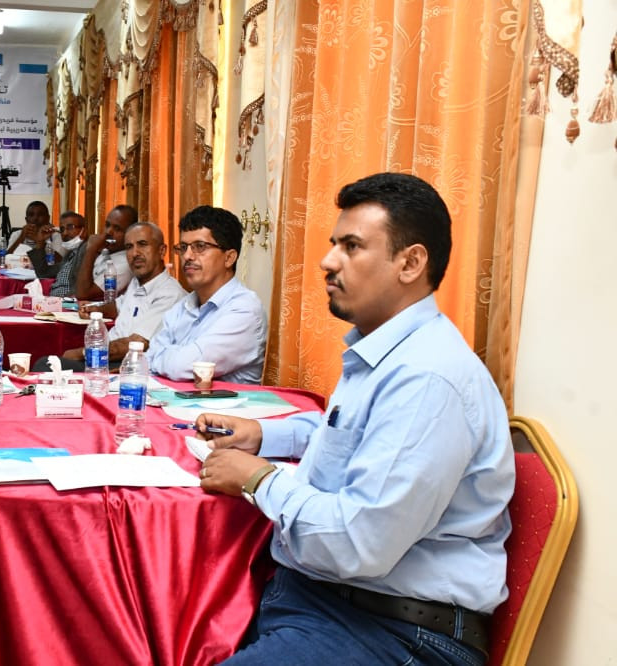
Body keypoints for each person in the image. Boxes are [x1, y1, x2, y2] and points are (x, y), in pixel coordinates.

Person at [196, 173, 515, 665]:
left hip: (396, 631)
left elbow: (357, 544)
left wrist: (258, 479)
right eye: (333, 245)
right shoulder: (388, 352)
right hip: (326, 598)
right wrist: (264, 435)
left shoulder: (427, 377)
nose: (328, 261)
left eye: (351, 246)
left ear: (410, 263)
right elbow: (351, 433)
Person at [34, 221, 186, 371]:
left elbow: (135, 344)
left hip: (125, 365)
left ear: (162, 251)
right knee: (45, 354)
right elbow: (118, 306)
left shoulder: (169, 294)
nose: (135, 253)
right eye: (129, 247)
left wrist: (82, 353)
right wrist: (95, 309)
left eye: (142, 244)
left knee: (46, 365)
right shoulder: (137, 282)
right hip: (107, 354)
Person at [146, 206, 266, 384]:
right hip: (171, 399)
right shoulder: (183, 305)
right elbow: (146, 361)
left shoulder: (245, 310)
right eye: (183, 247)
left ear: (229, 258)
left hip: (224, 403)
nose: (187, 256)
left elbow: (182, 367)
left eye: (200, 247)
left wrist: (166, 356)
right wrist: (171, 358)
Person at [74, 205, 136, 300]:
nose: (108, 232)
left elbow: (83, 294)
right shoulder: (106, 252)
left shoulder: (125, 264)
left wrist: (91, 250)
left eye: (117, 229)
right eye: (107, 225)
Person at [26, 211, 87, 296]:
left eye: (70, 227)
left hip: (67, 301)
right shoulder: (71, 254)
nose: (65, 233)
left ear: (84, 230)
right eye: (62, 229)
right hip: (54, 300)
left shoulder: (89, 251)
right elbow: (43, 273)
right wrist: (40, 242)